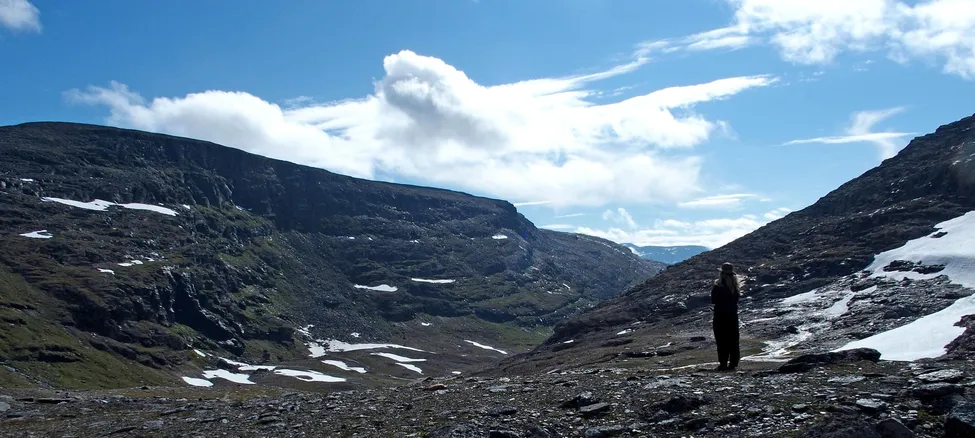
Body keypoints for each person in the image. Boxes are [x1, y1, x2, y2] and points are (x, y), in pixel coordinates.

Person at [711, 262, 743, 371]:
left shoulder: (718, 286)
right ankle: (733, 364)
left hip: (720, 316)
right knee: (733, 341)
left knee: (721, 341)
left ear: (721, 273)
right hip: (732, 317)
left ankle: (723, 364)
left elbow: (713, 300)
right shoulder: (736, 288)